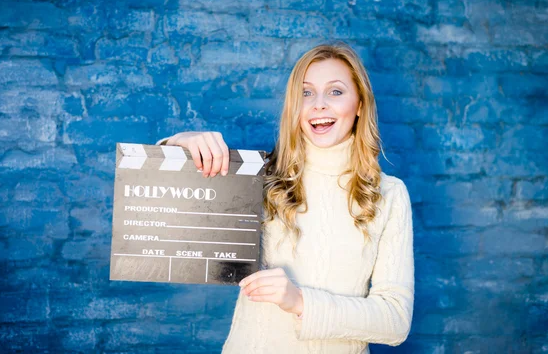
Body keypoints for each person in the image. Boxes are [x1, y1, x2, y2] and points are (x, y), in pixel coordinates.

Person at [157, 43, 414, 353]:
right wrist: (179, 144)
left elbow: (395, 320)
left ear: (359, 103)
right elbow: (169, 217)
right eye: (306, 93)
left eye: (335, 92)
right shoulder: (260, 177)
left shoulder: (389, 195)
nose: (319, 104)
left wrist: (299, 301)